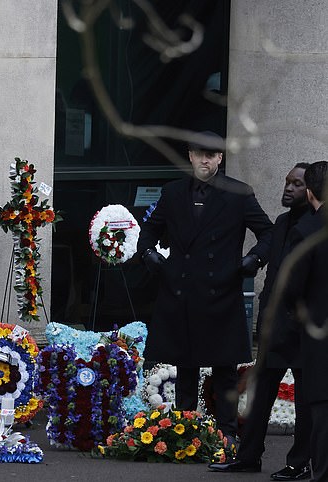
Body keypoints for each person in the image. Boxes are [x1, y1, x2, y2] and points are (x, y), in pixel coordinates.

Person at [137, 131, 273, 450]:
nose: (205, 160)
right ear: (190, 156)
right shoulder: (173, 193)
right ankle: (185, 426)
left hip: (221, 292)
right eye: (199, 154)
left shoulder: (238, 193)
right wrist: (148, 255)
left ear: (220, 158)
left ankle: (227, 431)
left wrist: (253, 259)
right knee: (185, 366)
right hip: (180, 291)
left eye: (211, 155)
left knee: (224, 367)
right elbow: (150, 230)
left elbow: (267, 232)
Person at [209, 163, 312, 479]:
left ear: (310, 191)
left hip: (302, 330)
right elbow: (274, 277)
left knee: (305, 402)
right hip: (274, 329)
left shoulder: (315, 225)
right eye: (286, 181)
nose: (288, 188)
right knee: (258, 397)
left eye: (296, 184)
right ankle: (248, 457)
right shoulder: (281, 223)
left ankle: (299, 464)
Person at [283, 161, 328, 482]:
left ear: (310, 193)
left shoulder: (306, 231)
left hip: (318, 333)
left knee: (322, 411)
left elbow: (292, 288)